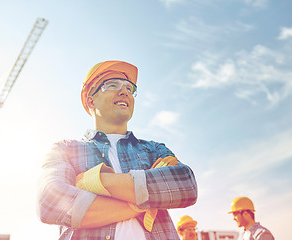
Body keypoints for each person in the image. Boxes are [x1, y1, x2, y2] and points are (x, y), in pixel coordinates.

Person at [37, 60, 198, 240]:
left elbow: (187, 185)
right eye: (112, 85)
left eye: (130, 89)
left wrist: (96, 181)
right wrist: (146, 201)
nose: (124, 92)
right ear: (91, 100)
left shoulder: (154, 149)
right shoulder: (66, 149)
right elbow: (50, 203)